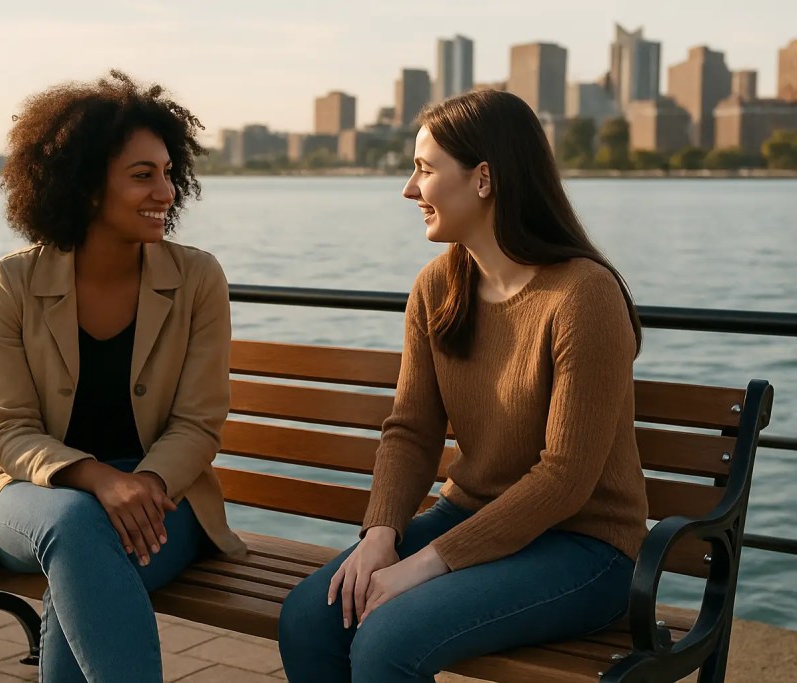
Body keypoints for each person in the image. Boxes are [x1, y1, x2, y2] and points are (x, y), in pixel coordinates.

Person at [278, 89, 649, 682]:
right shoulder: (437, 288)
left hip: (583, 549)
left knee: (386, 641)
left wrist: (427, 564)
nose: (407, 189)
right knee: (308, 618)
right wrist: (381, 534)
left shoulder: (584, 294)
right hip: (467, 518)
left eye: (424, 169)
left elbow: (565, 478)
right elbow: (411, 430)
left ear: (483, 179)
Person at [0, 70, 246, 682]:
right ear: (84, 186)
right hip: (32, 495)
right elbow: (5, 431)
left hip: (165, 497)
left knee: (82, 566)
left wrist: (145, 483)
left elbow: (198, 422)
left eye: (169, 173)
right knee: (77, 527)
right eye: (143, 175)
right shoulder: (11, 284)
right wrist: (98, 479)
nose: (166, 191)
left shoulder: (197, 279)